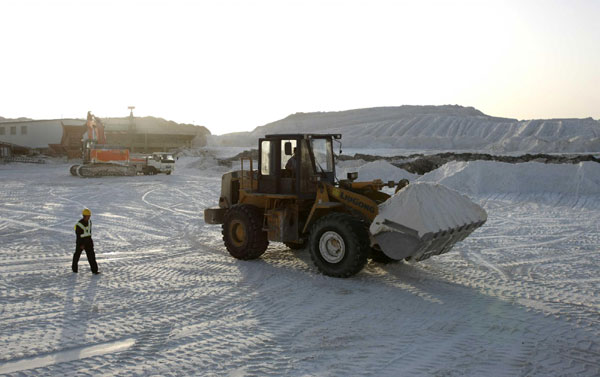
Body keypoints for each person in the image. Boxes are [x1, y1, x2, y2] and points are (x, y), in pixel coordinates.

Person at [72, 208, 100, 274]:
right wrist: (81, 245)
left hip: (88, 242)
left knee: (92, 257)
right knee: (77, 256)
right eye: (88, 216)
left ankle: (95, 270)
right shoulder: (79, 225)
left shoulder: (90, 222)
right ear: (84, 216)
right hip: (81, 243)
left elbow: (89, 233)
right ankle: (74, 270)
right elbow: (78, 236)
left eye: (89, 216)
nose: (89, 217)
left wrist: (90, 241)